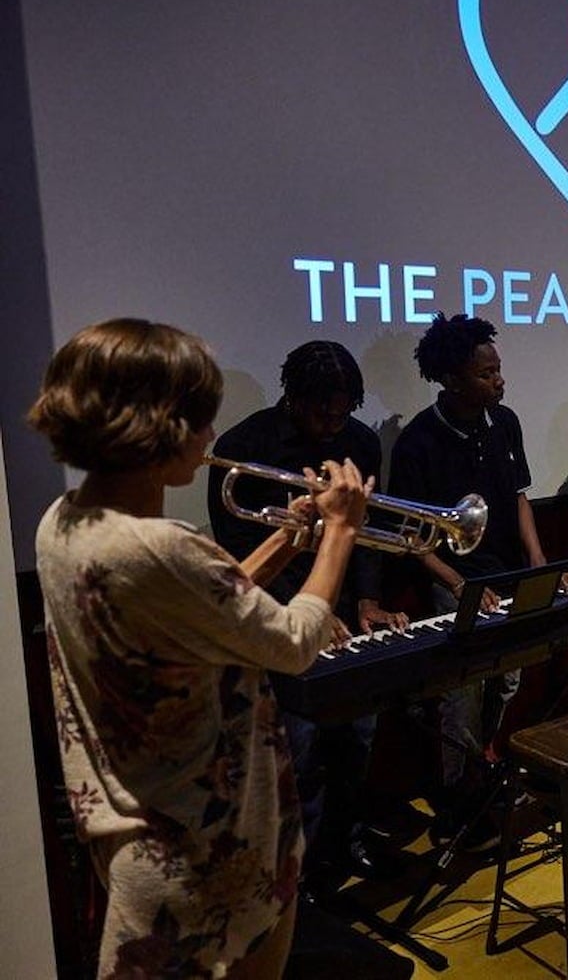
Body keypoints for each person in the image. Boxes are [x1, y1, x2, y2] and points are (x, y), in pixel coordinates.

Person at [29, 319, 369, 979]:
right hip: (211, 854)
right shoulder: (161, 546)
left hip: (143, 840)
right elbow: (294, 643)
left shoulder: (66, 519)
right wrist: (340, 531)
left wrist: (289, 536)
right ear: (160, 425)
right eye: (199, 419)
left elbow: (216, 604)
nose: (211, 436)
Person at [208, 341, 407, 886]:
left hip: (340, 613)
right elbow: (241, 550)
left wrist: (365, 599)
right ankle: (303, 870)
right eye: (324, 410)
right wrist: (311, 612)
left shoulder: (360, 442)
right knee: (299, 749)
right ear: (294, 396)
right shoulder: (245, 447)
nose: (334, 422)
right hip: (278, 620)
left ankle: (347, 842)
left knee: (358, 737)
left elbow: (366, 537)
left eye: (344, 410)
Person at [388, 313, 546, 842]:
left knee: (509, 679)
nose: (499, 381)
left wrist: (538, 563)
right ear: (451, 379)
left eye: (499, 370)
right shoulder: (417, 442)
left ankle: (481, 770)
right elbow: (414, 538)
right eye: (486, 374)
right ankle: (457, 800)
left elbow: (520, 497)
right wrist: (456, 586)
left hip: (508, 574)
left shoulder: (506, 423)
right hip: (454, 580)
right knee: (462, 694)